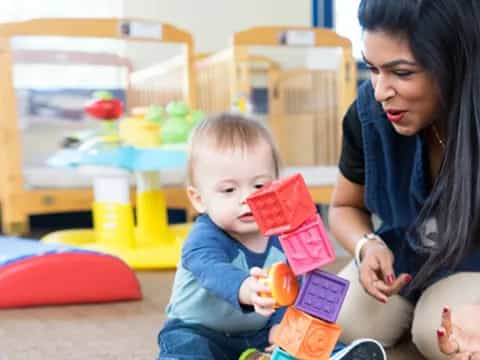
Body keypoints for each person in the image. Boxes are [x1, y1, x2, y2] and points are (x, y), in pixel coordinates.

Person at [328, 0, 480, 359]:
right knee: (340, 317)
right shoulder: (368, 113)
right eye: (373, 69)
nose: (380, 91)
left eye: (401, 72)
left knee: (439, 333)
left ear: (454, 64)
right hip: (405, 259)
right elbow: (343, 205)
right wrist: (367, 246)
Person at [157, 113, 285, 359]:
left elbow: (291, 283)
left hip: (257, 332)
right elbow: (213, 271)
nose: (247, 198)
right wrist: (244, 287)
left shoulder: (281, 234)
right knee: (187, 348)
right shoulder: (202, 239)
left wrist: (280, 321)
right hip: (199, 330)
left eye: (259, 186)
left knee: (305, 339)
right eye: (228, 189)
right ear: (199, 199)